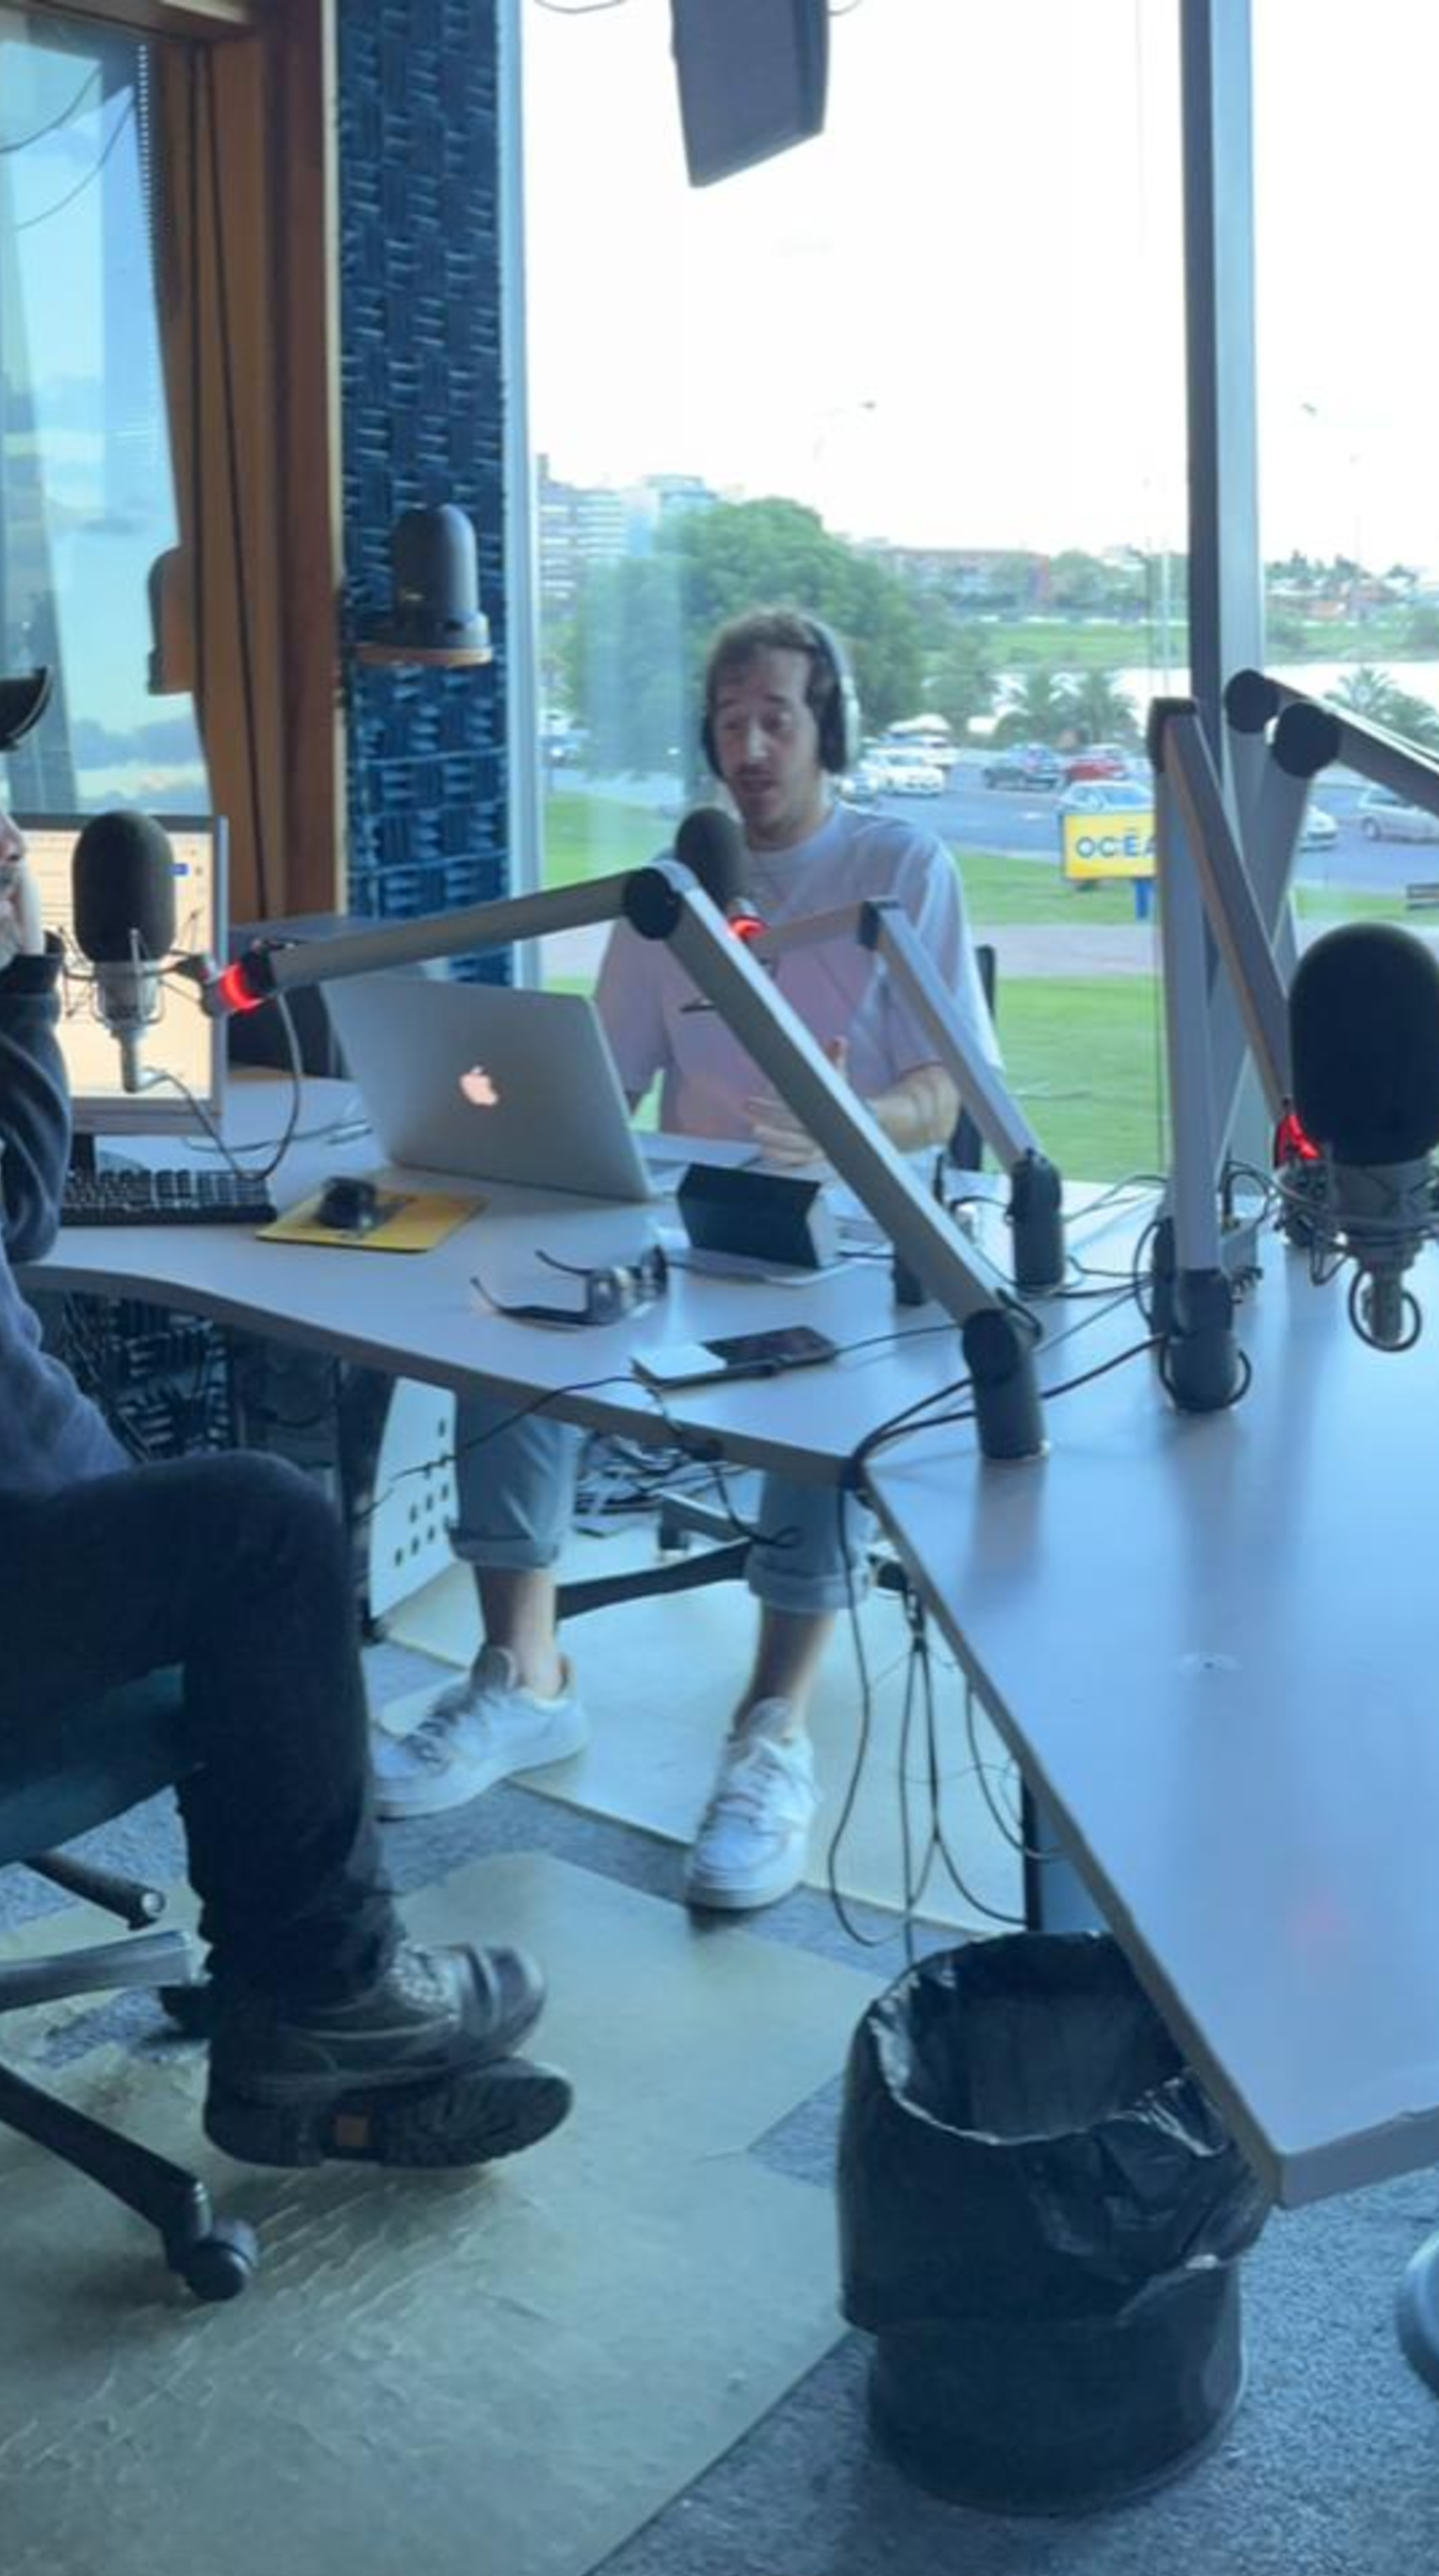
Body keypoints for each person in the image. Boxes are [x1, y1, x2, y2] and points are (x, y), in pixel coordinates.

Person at [0, 614, 574, 2171]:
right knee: (258, 1531)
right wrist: (163, 1521)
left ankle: (299, 2003)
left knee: (211, 1530)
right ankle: (324, 1995)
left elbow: (0, 1215)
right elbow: (11, 1465)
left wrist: (19, 987)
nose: (11, 838)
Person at [373, 609, 1003, 1915]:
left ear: (828, 728)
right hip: (690, 1230)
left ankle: (772, 1728)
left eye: (777, 719)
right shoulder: (674, 891)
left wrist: (856, 1118)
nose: (751, 748)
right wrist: (519, 1134)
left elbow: (956, 1090)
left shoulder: (902, 865)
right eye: (730, 723)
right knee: (505, 1309)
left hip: (844, 1234)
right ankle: (524, 1675)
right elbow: (604, 1083)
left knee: (825, 1382)